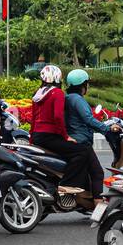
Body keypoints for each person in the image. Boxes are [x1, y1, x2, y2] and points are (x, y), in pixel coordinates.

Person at [29, 66, 96, 208]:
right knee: (81, 151)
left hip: (37, 136)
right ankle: (67, 184)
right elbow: (58, 117)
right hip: (49, 136)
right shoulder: (57, 93)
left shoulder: (38, 93)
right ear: (58, 78)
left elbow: (33, 118)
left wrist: (31, 139)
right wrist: (65, 137)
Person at [60, 69, 114, 207]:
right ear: (82, 85)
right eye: (87, 84)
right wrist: (107, 129)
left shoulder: (68, 97)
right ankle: (99, 206)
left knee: (90, 172)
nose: (87, 87)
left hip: (73, 138)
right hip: (81, 140)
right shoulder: (77, 99)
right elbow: (88, 119)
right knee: (97, 173)